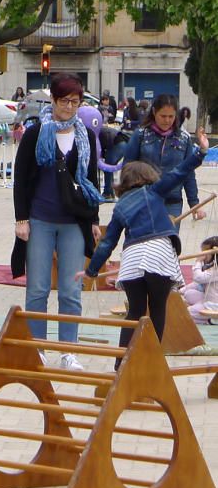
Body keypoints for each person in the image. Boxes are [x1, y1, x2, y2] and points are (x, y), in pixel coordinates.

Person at [81, 130, 210, 366]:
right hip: (158, 253)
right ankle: (152, 363)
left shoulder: (120, 208)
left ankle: (122, 364)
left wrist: (91, 271)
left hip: (132, 258)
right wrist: (201, 152)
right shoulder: (154, 190)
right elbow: (179, 173)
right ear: (149, 176)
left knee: (135, 311)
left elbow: (108, 242)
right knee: (157, 309)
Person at [11, 73, 103, 371]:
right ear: (53, 99)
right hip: (40, 217)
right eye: (65, 101)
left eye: (76, 102)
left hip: (73, 221)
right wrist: (21, 218)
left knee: (70, 289)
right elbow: (21, 178)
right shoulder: (37, 133)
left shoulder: (85, 135)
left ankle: (68, 350)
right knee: (37, 287)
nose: (70, 107)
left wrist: (93, 219)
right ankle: (38, 348)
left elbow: (91, 180)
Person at [118, 93, 206, 226]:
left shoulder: (184, 138)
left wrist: (194, 203)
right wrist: (127, 199)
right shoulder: (141, 135)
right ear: (154, 112)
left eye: (171, 116)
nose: (167, 120)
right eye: (163, 116)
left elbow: (188, 172)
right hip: (143, 201)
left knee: (169, 244)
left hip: (173, 202)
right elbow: (127, 168)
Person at [181, 236, 218, 323]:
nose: (203, 255)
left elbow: (198, 278)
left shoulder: (216, 269)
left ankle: (211, 319)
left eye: (205, 253)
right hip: (208, 299)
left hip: (214, 304)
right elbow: (198, 285)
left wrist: (198, 262)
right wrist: (180, 290)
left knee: (185, 314)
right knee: (188, 294)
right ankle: (201, 314)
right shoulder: (210, 266)